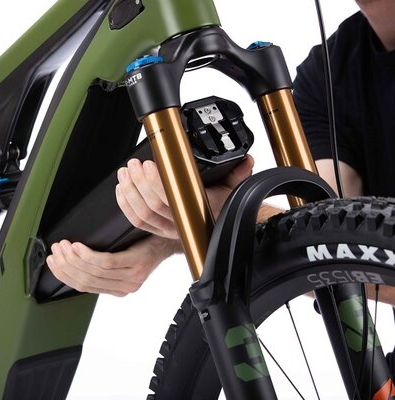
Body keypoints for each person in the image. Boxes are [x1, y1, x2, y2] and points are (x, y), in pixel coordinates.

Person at [46, 0, 395, 300]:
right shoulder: (330, 72)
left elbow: (364, 251)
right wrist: (177, 229)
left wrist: (232, 213)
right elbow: (332, 247)